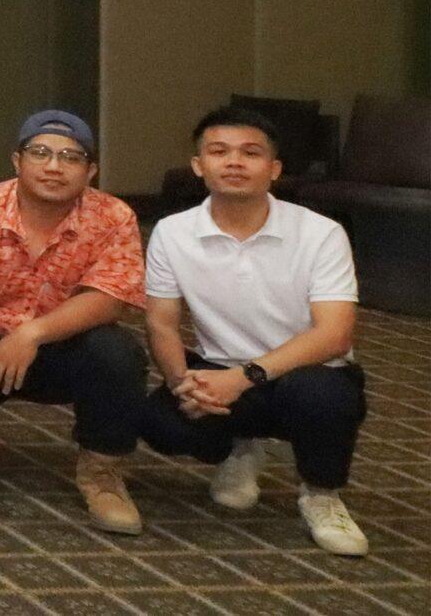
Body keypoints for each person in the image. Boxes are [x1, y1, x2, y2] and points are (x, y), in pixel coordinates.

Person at [141, 107, 369, 556]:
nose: (234, 162)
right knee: (161, 422)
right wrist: (181, 383)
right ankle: (241, 450)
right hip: (220, 370)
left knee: (323, 397)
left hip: (308, 373)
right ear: (198, 165)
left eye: (250, 153)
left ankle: (321, 494)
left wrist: (243, 378)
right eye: (219, 151)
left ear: (274, 168)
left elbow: (334, 336)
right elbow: (160, 323)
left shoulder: (321, 234)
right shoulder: (172, 232)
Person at [0, 110, 147, 534]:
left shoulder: (114, 217)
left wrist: (31, 333)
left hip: (60, 345)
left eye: (70, 158)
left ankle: (102, 475)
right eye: (40, 153)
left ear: (90, 171)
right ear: (17, 161)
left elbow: (111, 298)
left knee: (118, 355)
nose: (54, 167)